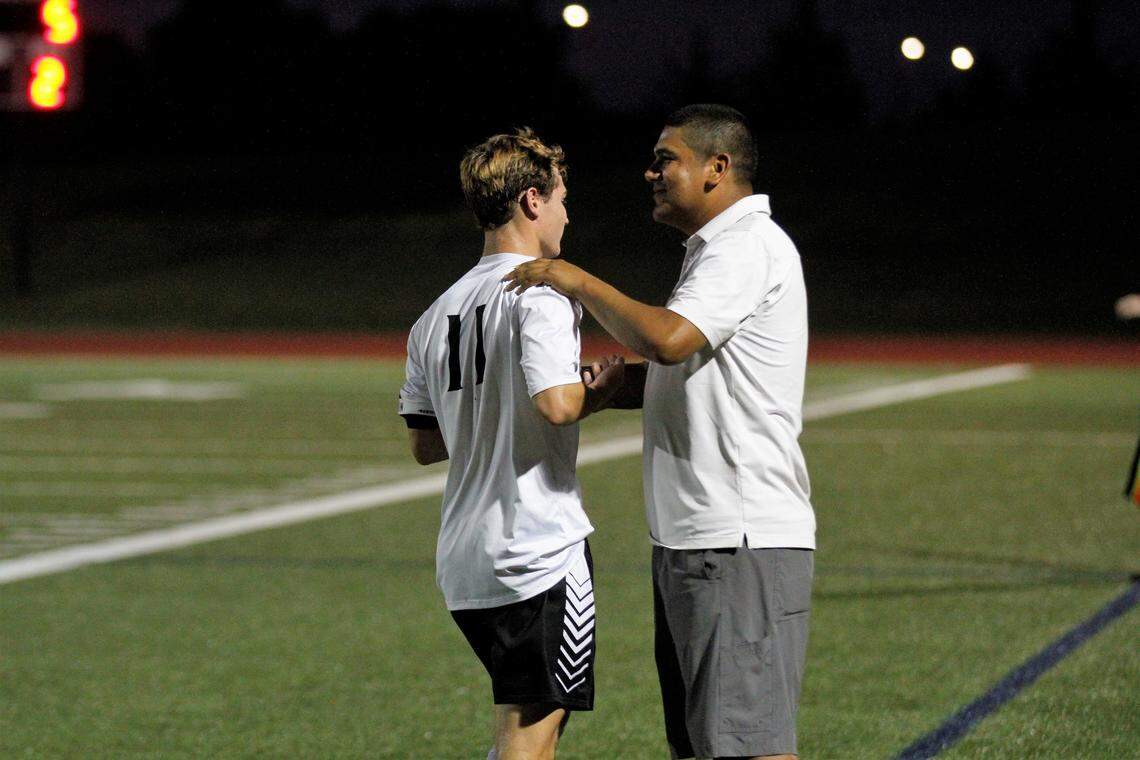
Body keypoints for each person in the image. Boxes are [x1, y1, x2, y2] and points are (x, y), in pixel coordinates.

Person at [503, 104, 815, 760]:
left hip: (735, 538)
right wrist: (618, 388)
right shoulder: (715, 252)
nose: (650, 171)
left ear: (716, 169)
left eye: (665, 158)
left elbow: (671, 342)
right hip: (700, 538)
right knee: (709, 742)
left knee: (743, 745)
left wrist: (575, 279)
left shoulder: (744, 246)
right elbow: (696, 374)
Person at [399, 127, 624, 760]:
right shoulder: (543, 290)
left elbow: (425, 443)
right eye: (560, 198)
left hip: (466, 558)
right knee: (532, 734)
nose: (565, 213)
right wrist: (601, 389)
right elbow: (557, 405)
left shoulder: (436, 313)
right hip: (536, 550)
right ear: (531, 200)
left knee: (523, 729)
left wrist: (489, 416)